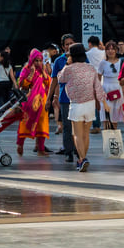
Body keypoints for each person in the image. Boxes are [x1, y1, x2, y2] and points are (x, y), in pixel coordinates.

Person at [57, 44, 106, 172]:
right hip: (89, 104)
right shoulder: (91, 68)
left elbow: (60, 78)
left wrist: (67, 64)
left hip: (76, 104)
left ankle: (82, 159)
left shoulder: (69, 69)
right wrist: (103, 102)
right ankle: (83, 158)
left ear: (72, 56)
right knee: (85, 134)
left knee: (76, 134)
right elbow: (98, 87)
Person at [17, 48, 52, 156]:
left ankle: (41, 149)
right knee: (25, 122)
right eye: (36, 60)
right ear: (31, 60)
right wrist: (31, 73)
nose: (38, 63)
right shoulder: (26, 69)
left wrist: (44, 73)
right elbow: (22, 84)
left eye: (40, 60)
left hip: (42, 101)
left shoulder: (43, 70)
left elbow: (48, 83)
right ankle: (20, 144)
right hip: (29, 102)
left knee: (42, 124)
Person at [49, 34, 77, 163]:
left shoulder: (82, 58)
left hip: (79, 97)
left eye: (72, 43)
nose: (69, 46)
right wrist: (50, 98)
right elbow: (54, 81)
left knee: (78, 125)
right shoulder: (58, 61)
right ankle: (68, 151)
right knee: (67, 126)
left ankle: (79, 149)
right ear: (63, 46)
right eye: (67, 44)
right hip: (65, 98)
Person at [97, 41, 124, 129]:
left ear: (116, 50)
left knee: (115, 116)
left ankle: (114, 136)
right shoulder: (102, 63)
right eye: (108, 49)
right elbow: (98, 79)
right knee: (106, 115)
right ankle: (107, 137)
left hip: (117, 89)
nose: (111, 51)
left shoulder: (121, 62)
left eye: (113, 49)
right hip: (106, 89)